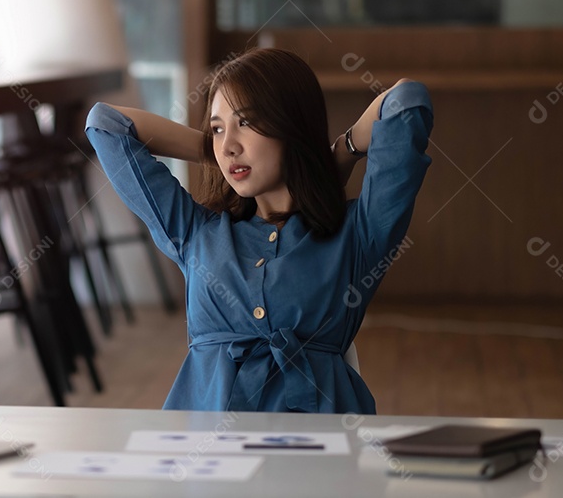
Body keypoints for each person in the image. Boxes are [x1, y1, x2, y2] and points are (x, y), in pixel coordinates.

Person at [84, 48, 433, 414]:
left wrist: (333, 156)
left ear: (291, 126)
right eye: (218, 128)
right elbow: (106, 124)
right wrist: (213, 150)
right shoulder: (194, 232)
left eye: (246, 123)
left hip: (320, 456)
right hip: (205, 459)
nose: (230, 145)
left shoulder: (357, 234)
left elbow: (406, 103)